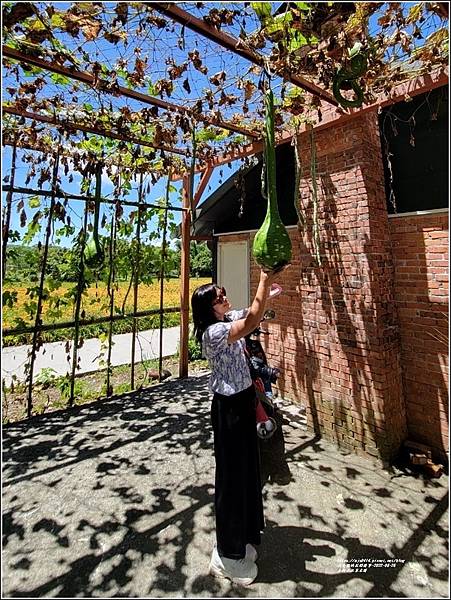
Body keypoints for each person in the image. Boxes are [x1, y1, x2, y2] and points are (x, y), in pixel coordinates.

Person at [191, 267, 286, 586]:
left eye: (221, 292)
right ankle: (227, 554)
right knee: (231, 479)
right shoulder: (213, 333)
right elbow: (250, 320)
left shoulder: (224, 319)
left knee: (247, 472)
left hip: (243, 402)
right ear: (209, 307)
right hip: (228, 409)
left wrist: (267, 295)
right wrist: (263, 280)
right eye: (217, 297)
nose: (223, 296)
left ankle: (243, 535)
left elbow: (249, 312)